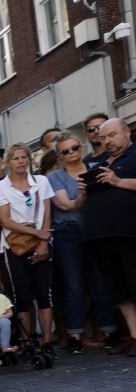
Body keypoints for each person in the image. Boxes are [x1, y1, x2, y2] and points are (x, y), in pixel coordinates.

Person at [48, 132, 118, 353]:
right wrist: (83, 195)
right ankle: (75, 334)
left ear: (81, 147)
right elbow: (67, 206)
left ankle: (110, 332)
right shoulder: (55, 177)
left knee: (100, 283)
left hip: (94, 231)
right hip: (67, 233)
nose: (72, 153)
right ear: (59, 156)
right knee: (74, 285)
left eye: (75, 148)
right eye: (66, 151)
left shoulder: (95, 170)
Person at [0, 144, 55, 352]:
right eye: (15, 158)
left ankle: (47, 341)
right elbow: (5, 220)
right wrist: (36, 233)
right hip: (15, 246)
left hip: (41, 244)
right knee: (23, 294)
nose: (20, 161)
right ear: (8, 162)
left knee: (43, 293)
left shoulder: (41, 182)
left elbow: (47, 213)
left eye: (23, 157)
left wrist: (43, 241)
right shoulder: (2, 187)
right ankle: (28, 342)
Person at [84, 118, 136, 354]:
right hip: (101, 237)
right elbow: (78, 204)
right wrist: (82, 191)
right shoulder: (98, 165)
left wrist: (117, 181)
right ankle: (134, 336)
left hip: (129, 233)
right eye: (103, 137)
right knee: (118, 291)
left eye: (112, 135)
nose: (107, 141)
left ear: (127, 132)